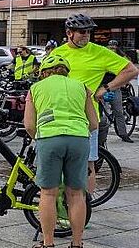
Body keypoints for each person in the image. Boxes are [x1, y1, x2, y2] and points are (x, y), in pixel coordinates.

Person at [50, 14, 138, 196]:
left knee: (87, 164)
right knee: (58, 164)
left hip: (86, 119)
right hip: (57, 116)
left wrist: (106, 88)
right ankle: (61, 203)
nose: (86, 36)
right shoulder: (57, 53)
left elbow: (131, 70)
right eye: (82, 32)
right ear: (69, 33)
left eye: (89, 32)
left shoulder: (99, 52)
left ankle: (85, 206)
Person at [23, 54, 97, 248]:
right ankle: (77, 245)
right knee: (76, 194)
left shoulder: (36, 88)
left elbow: (29, 125)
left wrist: (41, 137)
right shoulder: (82, 87)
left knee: (48, 194)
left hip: (50, 139)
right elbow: (93, 123)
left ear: (44, 72)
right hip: (79, 139)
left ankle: (48, 245)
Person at [103, 39, 132, 143]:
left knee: (118, 111)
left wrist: (126, 81)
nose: (112, 48)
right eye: (110, 47)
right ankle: (102, 137)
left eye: (114, 47)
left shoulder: (121, 57)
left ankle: (123, 134)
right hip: (102, 88)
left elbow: (128, 70)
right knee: (103, 114)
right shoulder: (103, 56)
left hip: (115, 87)